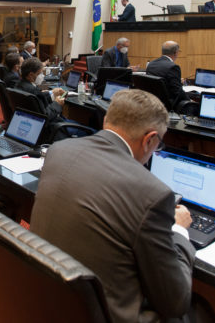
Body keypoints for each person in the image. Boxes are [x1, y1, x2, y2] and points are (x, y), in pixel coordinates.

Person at [30, 89, 195, 323]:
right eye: (158, 144)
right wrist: (179, 231)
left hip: (47, 296)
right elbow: (175, 301)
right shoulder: (154, 194)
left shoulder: (59, 150)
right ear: (149, 139)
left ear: (107, 120)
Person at [145, 41, 193, 113]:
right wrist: (190, 100)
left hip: (152, 102)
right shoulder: (173, 67)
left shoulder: (151, 64)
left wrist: (177, 81)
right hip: (168, 105)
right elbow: (177, 91)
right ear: (175, 53)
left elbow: (162, 81)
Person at [15, 58, 65, 125]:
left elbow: (38, 99)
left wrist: (52, 92)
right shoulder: (33, 90)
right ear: (31, 75)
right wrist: (57, 104)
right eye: (40, 73)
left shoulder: (19, 84)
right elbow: (45, 116)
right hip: (50, 128)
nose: (43, 75)